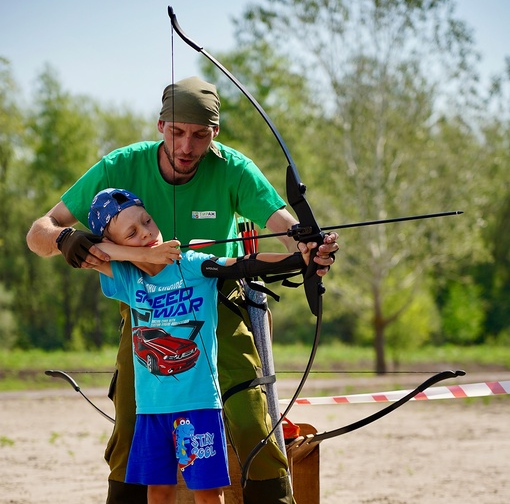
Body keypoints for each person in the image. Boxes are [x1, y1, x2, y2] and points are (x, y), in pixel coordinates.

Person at [26, 76, 338, 504]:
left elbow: (286, 228)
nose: (187, 147)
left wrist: (308, 247)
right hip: (144, 312)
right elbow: (38, 233)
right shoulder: (121, 165)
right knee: (130, 426)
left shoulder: (233, 168)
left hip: (217, 303)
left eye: (199, 135)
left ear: (215, 134)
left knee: (251, 418)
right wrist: (65, 239)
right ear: (159, 126)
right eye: (176, 133)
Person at [86, 187, 314, 504]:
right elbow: (81, 248)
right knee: (159, 492)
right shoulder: (126, 278)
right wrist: (143, 256)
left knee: (208, 494)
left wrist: (300, 258)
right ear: (114, 244)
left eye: (147, 221)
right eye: (133, 233)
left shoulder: (190, 264)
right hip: (150, 410)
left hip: (198, 407)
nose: (148, 233)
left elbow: (244, 265)